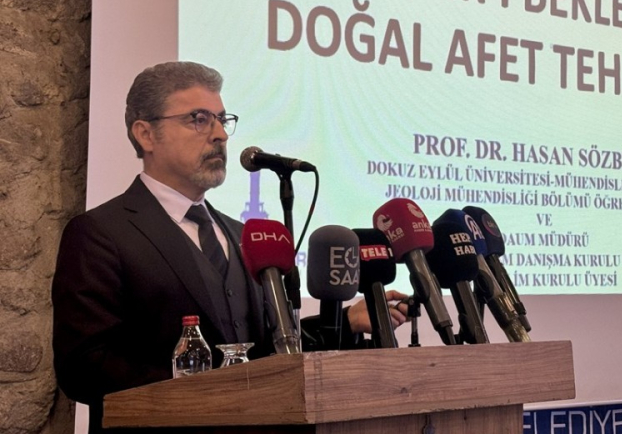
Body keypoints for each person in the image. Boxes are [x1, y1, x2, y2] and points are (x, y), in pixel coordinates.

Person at [52, 61, 408, 433]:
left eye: (222, 120)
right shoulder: (100, 233)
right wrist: (206, 388)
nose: (220, 134)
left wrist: (344, 322)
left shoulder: (245, 236)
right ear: (146, 134)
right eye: (199, 119)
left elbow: (265, 350)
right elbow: (82, 368)